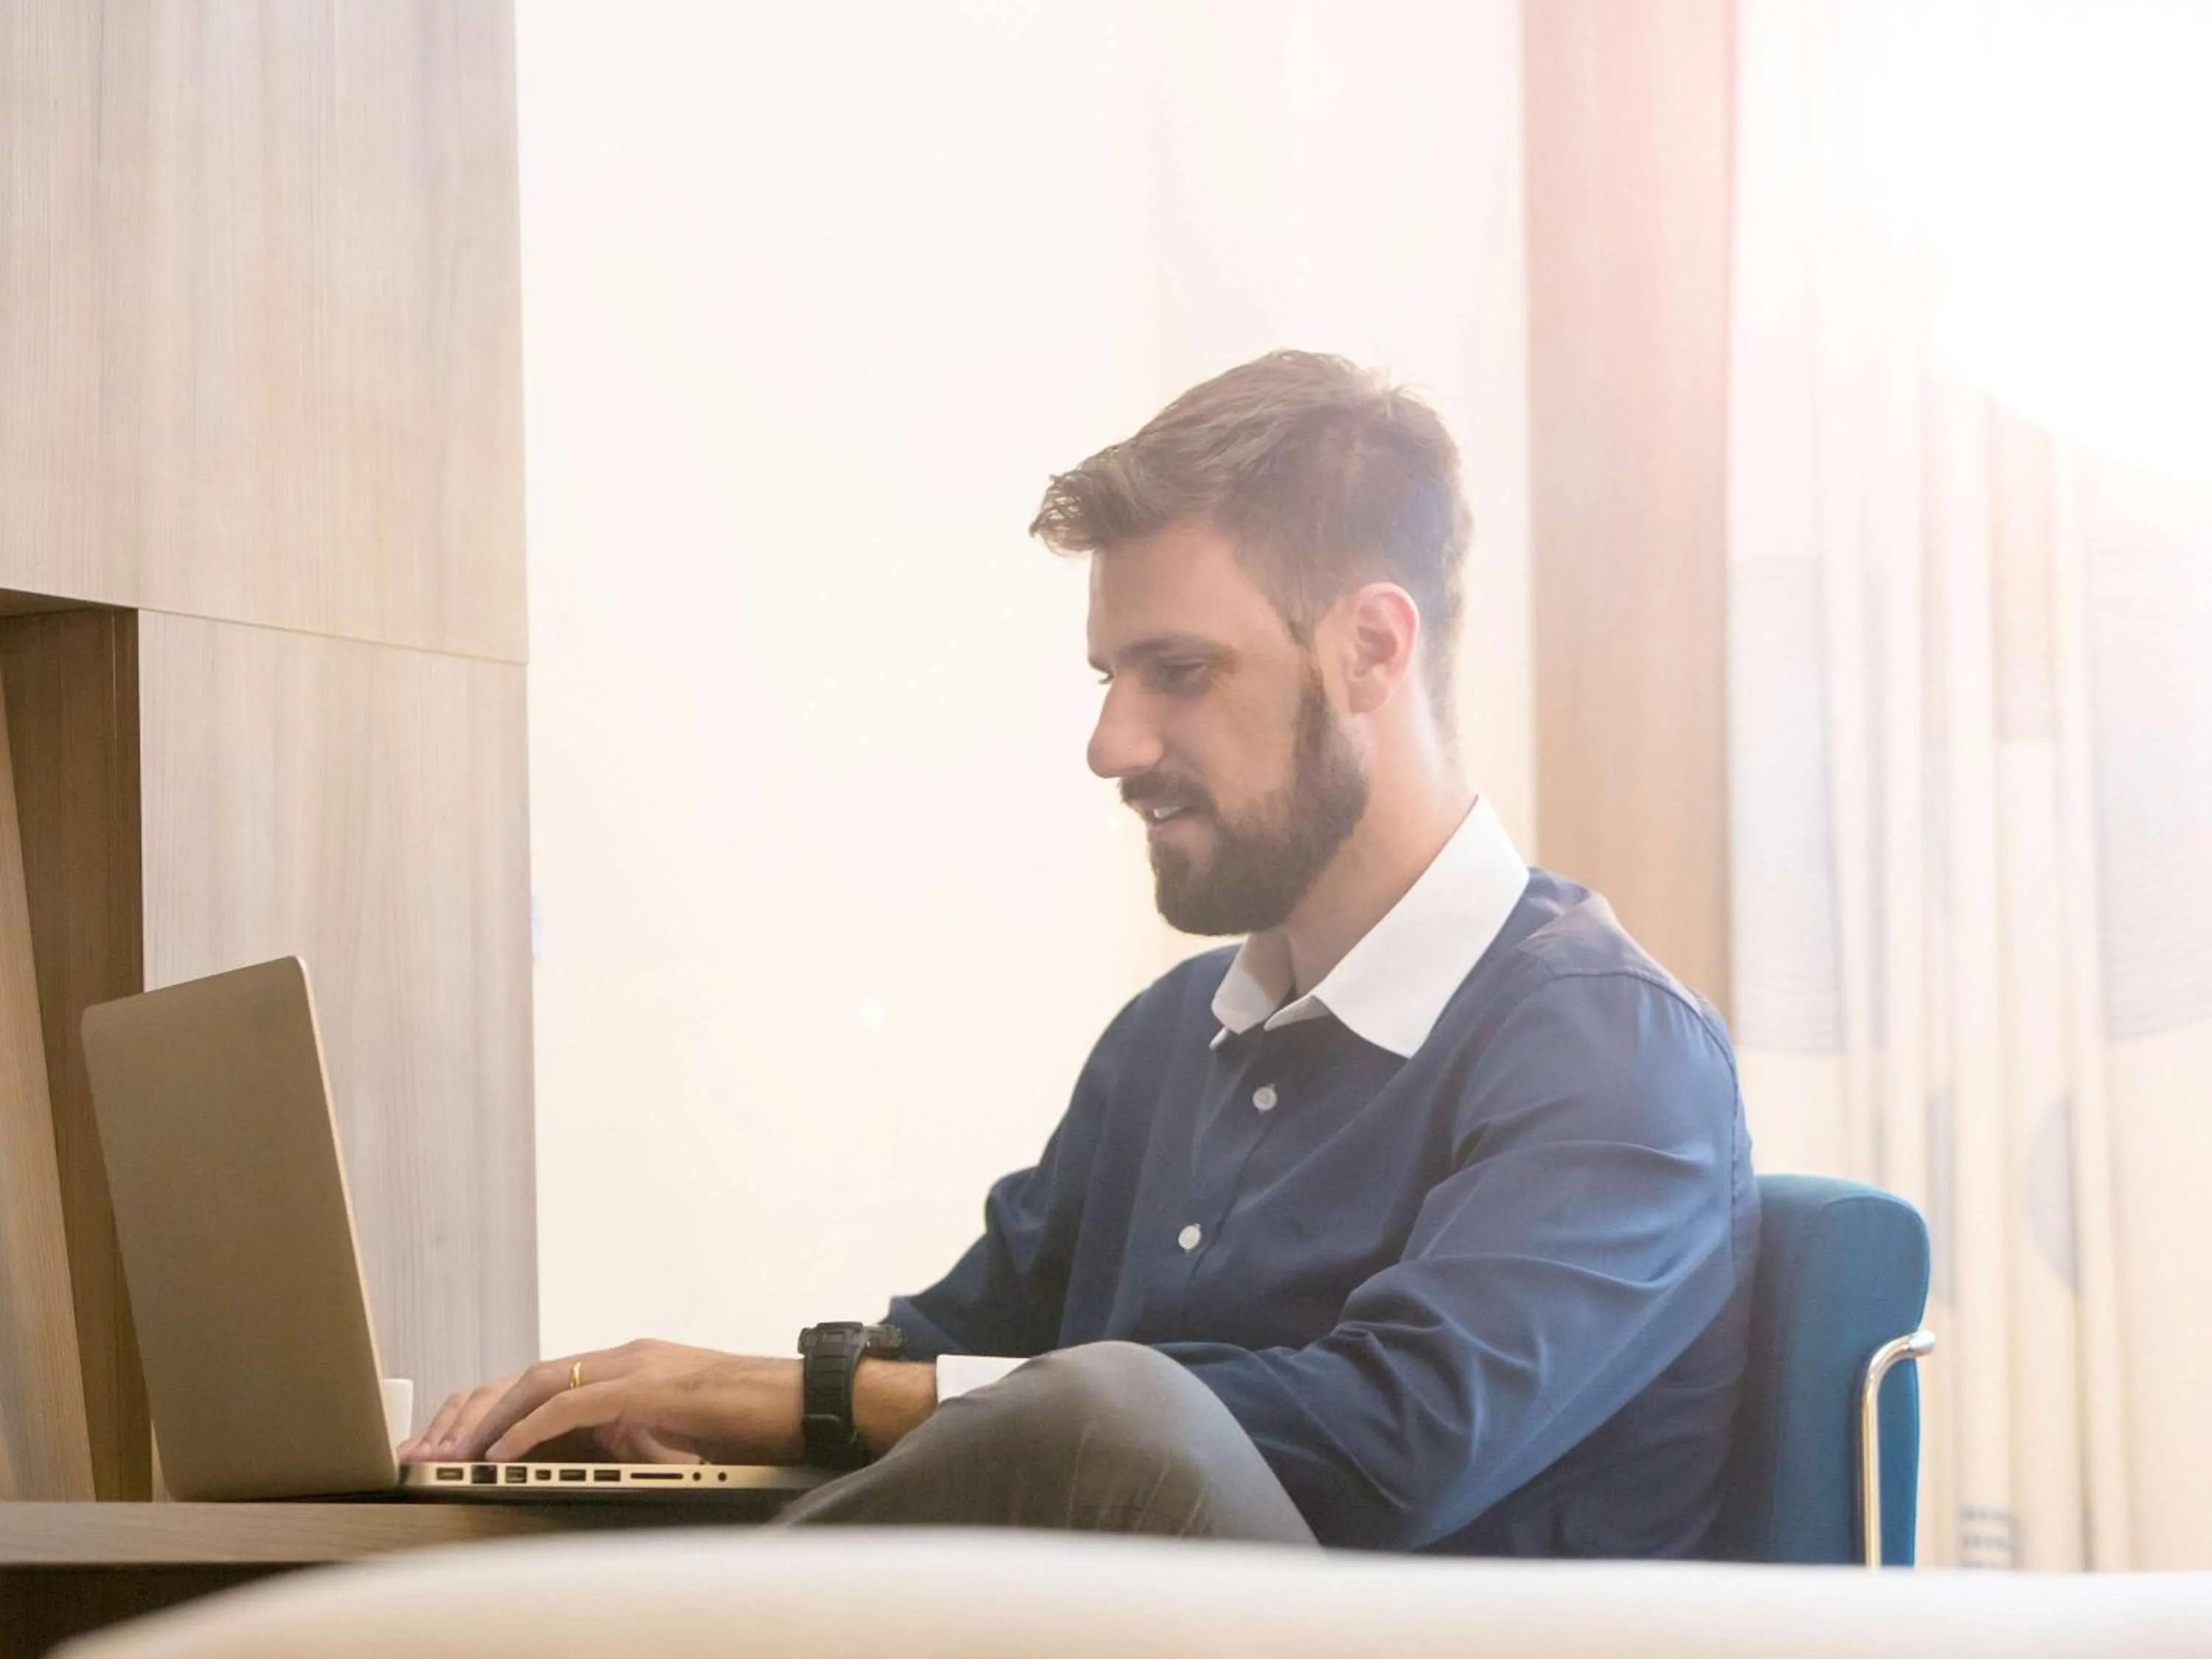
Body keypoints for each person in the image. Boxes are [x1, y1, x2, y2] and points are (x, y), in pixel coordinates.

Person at [403, 351, 1759, 1556]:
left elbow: (1388, 1447)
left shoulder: (1612, 1047)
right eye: (1109, 678)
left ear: (1369, 651)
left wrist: (808, 1398)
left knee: (1119, 1411)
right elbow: (940, 1366)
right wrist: (711, 1419)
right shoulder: (1171, 1041)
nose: (1113, 745)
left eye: (1177, 671)